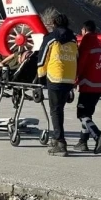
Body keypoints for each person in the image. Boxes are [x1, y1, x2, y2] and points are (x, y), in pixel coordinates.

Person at [36, 11, 78, 157]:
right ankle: (56, 138)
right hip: (69, 78)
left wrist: (40, 78)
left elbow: (42, 59)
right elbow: (76, 57)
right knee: (60, 109)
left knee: (55, 110)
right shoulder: (73, 39)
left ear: (54, 23)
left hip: (55, 77)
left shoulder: (50, 38)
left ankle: (60, 142)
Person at [74, 20, 101, 154]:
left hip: (88, 84)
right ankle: (82, 142)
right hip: (99, 85)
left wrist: (75, 78)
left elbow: (81, 62)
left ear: (84, 30)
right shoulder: (100, 43)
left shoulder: (86, 42)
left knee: (82, 114)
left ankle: (97, 135)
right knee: (87, 115)